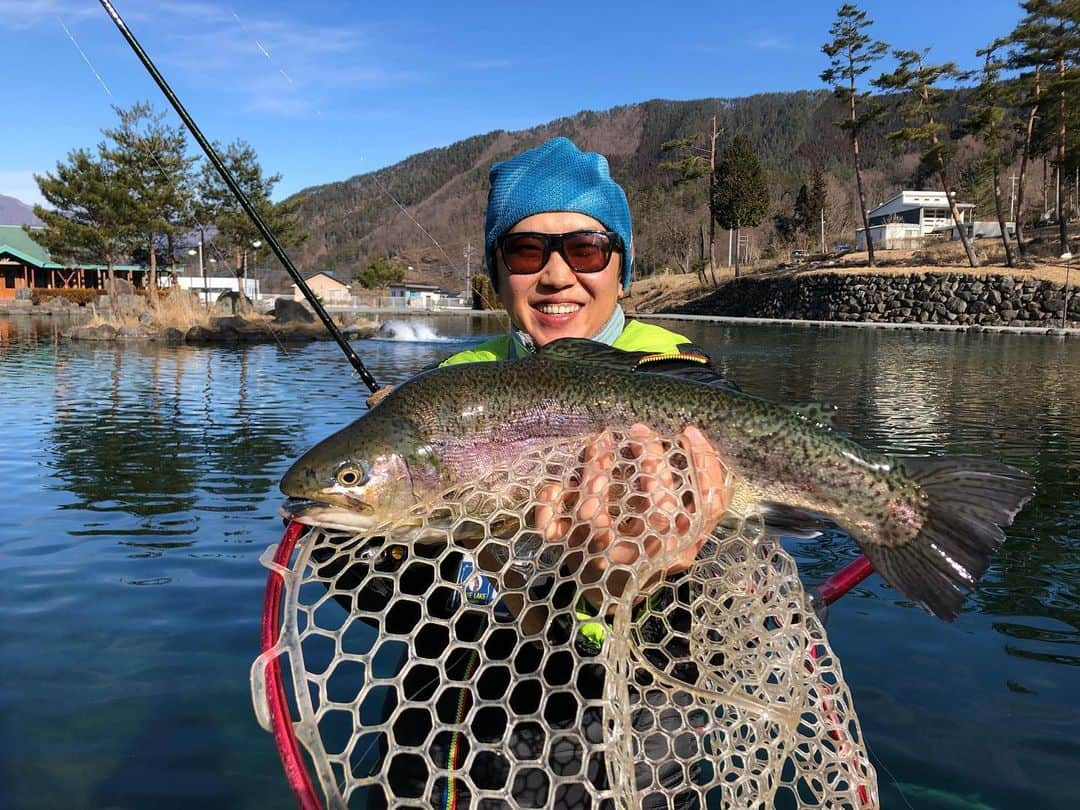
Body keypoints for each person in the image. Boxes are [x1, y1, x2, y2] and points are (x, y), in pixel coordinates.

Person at [354, 137, 733, 808]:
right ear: (497, 274)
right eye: (526, 252)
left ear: (622, 269)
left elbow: (722, 641)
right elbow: (387, 607)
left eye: (586, 249)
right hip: (448, 729)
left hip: (623, 738)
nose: (556, 275)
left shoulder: (688, 392)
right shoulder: (444, 393)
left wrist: (655, 581)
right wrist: (397, 535)